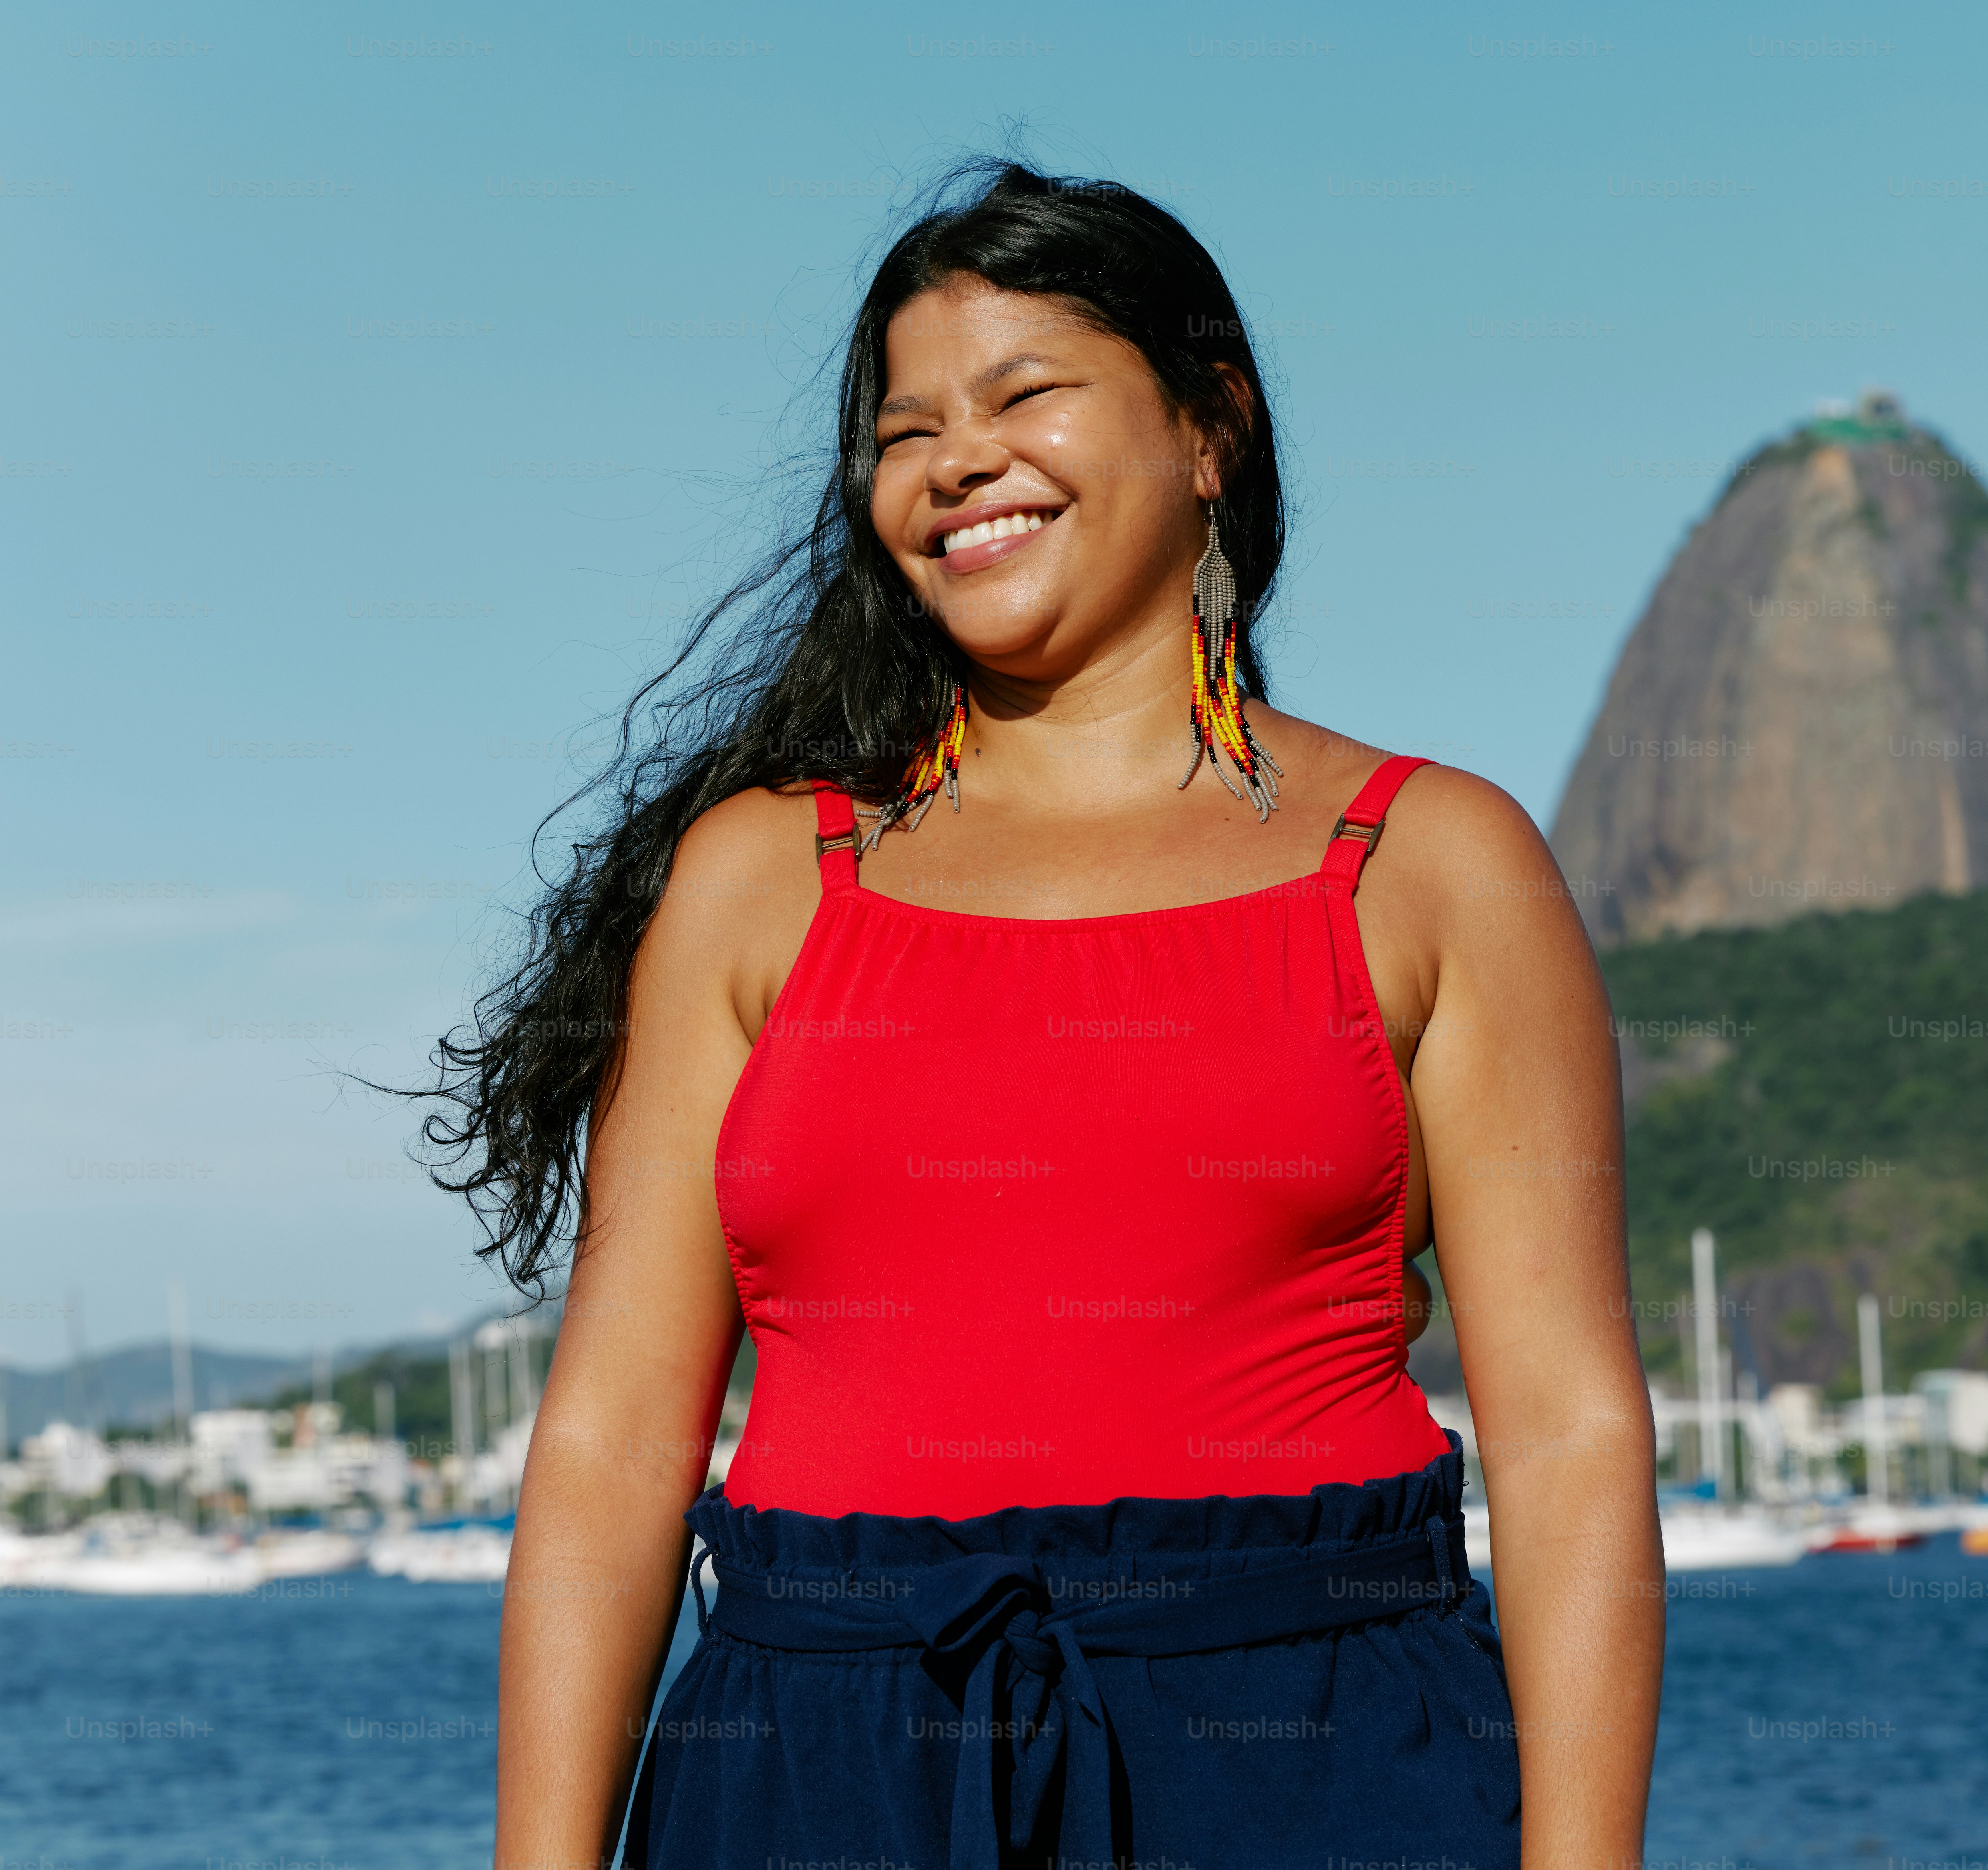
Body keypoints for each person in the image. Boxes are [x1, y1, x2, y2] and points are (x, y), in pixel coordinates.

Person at [425, 161, 1664, 1870]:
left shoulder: (1430, 862)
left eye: (1025, 395)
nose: (955, 462)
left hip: (1307, 1749)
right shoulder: (759, 879)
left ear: (1208, 424)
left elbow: (1571, 1431)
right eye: (904, 430)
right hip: (818, 1753)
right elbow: (614, 1441)